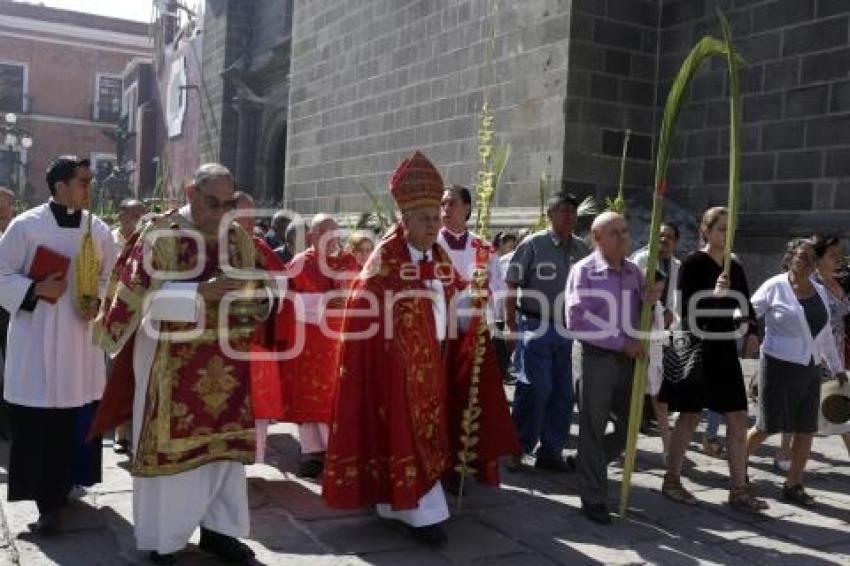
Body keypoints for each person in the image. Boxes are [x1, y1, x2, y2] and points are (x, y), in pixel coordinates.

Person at [96, 163, 269, 564]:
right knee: (174, 460)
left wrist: (259, 299)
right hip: (170, 365)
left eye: (229, 204)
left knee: (224, 457)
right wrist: (199, 292)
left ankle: (220, 532)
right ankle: (164, 540)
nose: (221, 213)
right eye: (213, 203)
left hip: (226, 366)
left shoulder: (238, 238)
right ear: (191, 192)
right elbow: (138, 302)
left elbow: (259, 289)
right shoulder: (160, 235)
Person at [323, 150, 462, 546]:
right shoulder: (385, 257)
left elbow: (453, 290)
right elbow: (367, 302)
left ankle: (396, 502)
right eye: (426, 220)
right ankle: (419, 512)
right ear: (405, 220)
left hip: (430, 361)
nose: (434, 226)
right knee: (403, 432)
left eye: (437, 219)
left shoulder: (438, 253)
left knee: (424, 433)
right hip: (394, 366)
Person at [0, 156, 117, 534]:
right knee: (38, 423)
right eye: (82, 181)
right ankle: (45, 503)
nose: (89, 187)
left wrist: (98, 301)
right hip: (36, 337)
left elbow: (110, 277)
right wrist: (35, 289)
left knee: (73, 420)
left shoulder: (97, 229)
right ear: (60, 186)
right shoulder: (26, 226)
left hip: (79, 340)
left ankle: (64, 487)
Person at [658, 207, 767, 512]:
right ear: (705, 230)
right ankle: (672, 480)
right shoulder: (693, 263)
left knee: (736, 416)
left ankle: (738, 489)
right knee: (690, 415)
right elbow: (687, 309)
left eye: (730, 229)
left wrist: (752, 331)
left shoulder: (734, 265)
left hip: (722, 348)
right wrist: (715, 296)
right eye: (721, 228)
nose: (726, 234)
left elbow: (746, 303)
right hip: (695, 344)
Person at [565, 212, 659, 524]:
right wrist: (621, 342)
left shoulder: (634, 272)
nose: (623, 237)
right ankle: (593, 497)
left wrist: (652, 301)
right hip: (596, 358)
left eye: (625, 230)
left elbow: (645, 307)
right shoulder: (584, 271)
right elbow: (578, 319)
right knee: (593, 427)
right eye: (614, 232)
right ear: (597, 238)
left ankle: (588, 464)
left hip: (629, 360)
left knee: (628, 427)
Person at [746, 239, 845, 507]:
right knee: (766, 426)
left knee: (805, 429)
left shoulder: (820, 291)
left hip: (809, 368)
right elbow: (746, 312)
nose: (807, 263)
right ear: (790, 258)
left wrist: (837, 368)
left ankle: (794, 483)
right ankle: (738, 467)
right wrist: (748, 332)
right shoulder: (774, 286)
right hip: (777, 366)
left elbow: (825, 335)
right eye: (802, 257)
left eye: (812, 259)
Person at [504, 192, 591, 472]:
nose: (569, 216)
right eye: (563, 210)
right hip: (535, 324)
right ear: (549, 214)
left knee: (563, 394)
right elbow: (511, 284)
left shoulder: (581, 249)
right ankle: (516, 448)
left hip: (568, 331)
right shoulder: (533, 245)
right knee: (535, 388)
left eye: (573, 211)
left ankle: (551, 452)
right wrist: (509, 324)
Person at [279, 213, 358, 478]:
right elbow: (287, 302)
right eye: (324, 231)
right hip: (311, 342)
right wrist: (324, 302)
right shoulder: (300, 264)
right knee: (311, 399)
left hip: (343, 339)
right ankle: (313, 452)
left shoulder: (348, 263)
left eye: (334, 231)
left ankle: (336, 449)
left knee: (339, 396)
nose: (331, 237)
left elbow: (364, 294)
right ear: (311, 236)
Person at [631, 222, 681, 462]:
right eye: (660, 236)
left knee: (659, 392)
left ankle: (667, 447)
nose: (664, 240)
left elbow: (673, 298)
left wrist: (670, 312)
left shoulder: (677, 266)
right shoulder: (640, 260)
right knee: (631, 390)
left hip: (660, 329)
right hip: (636, 329)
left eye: (669, 237)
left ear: (675, 242)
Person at [810, 236, 850, 455]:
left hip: (838, 352)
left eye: (840, 253)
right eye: (832, 255)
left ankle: (785, 453)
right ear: (818, 259)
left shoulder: (841, 280)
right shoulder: (812, 285)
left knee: (840, 410)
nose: (839, 258)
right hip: (818, 357)